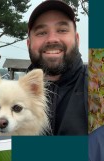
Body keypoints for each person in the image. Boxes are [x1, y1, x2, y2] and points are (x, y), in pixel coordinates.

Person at [27, 0, 87, 135]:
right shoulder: (1, 100)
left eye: (62, 30)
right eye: (41, 32)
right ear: (28, 43)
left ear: (77, 40)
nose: (52, 39)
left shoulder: (100, 90)